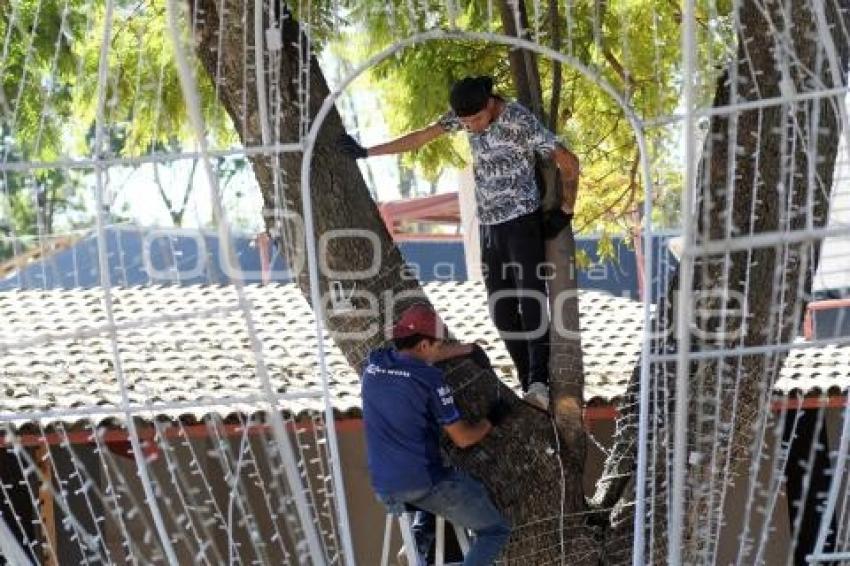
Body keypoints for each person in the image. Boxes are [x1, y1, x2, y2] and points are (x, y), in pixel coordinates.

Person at [339, 75, 580, 411]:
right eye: (465, 124)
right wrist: (366, 152)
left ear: (491, 104)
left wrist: (566, 210)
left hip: (522, 222)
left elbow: (568, 160)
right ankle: (528, 382)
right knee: (502, 312)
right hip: (490, 227)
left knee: (531, 301)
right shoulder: (464, 118)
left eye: (476, 120)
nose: (473, 128)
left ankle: (539, 384)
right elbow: (421, 137)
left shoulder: (519, 119)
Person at [362, 304, 512, 565]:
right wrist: (491, 419)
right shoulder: (430, 379)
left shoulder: (375, 363)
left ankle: (416, 543)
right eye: (438, 345)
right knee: (494, 530)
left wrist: (467, 349)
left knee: (438, 491)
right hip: (420, 483)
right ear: (423, 345)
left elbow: (417, 359)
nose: (440, 350)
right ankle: (420, 542)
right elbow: (463, 438)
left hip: (384, 485)